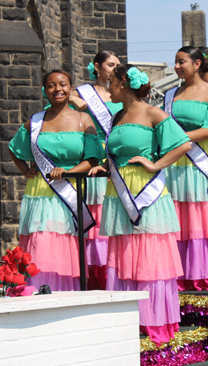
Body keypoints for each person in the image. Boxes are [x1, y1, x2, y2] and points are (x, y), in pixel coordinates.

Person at [89, 64, 191, 345]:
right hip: (119, 190)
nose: (107, 88)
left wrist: (155, 163)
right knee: (125, 256)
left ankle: (154, 321)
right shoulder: (117, 115)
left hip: (146, 190)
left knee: (150, 256)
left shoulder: (152, 111)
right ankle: (129, 319)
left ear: (123, 83)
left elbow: (183, 144)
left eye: (110, 82)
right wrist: (104, 168)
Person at [8, 70, 100, 291]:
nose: (57, 89)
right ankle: (38, 290)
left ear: (70, 88)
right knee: (41, 240)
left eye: (63, 84)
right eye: (51, 85)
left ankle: (65, 292)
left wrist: (67, 173)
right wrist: (24, 170)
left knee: (64, 239)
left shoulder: (83, 119)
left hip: (69, 188)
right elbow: (14, 148)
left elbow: (92, 159)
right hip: (40, 189)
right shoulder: (36, 121)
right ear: (45, 90)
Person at [163, 46, 208, 291]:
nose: (177, 66)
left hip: (200, 163)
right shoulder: (170, 94)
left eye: (182, 61)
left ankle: (206, 274)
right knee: (179, 213)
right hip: (176, 164)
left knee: (202, 214)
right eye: (175, 61)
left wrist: (177, 136)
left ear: (197, 63)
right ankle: (180, 272)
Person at [71, 50, 123, 290]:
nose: (114, 68)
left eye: (117, 65)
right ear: (97, 66)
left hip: (113, 159)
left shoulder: (121, 93)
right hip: (92, 156)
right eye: (110, 64)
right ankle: (91, 276)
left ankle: (111, 273)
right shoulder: (81, 93)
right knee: (94, 211)